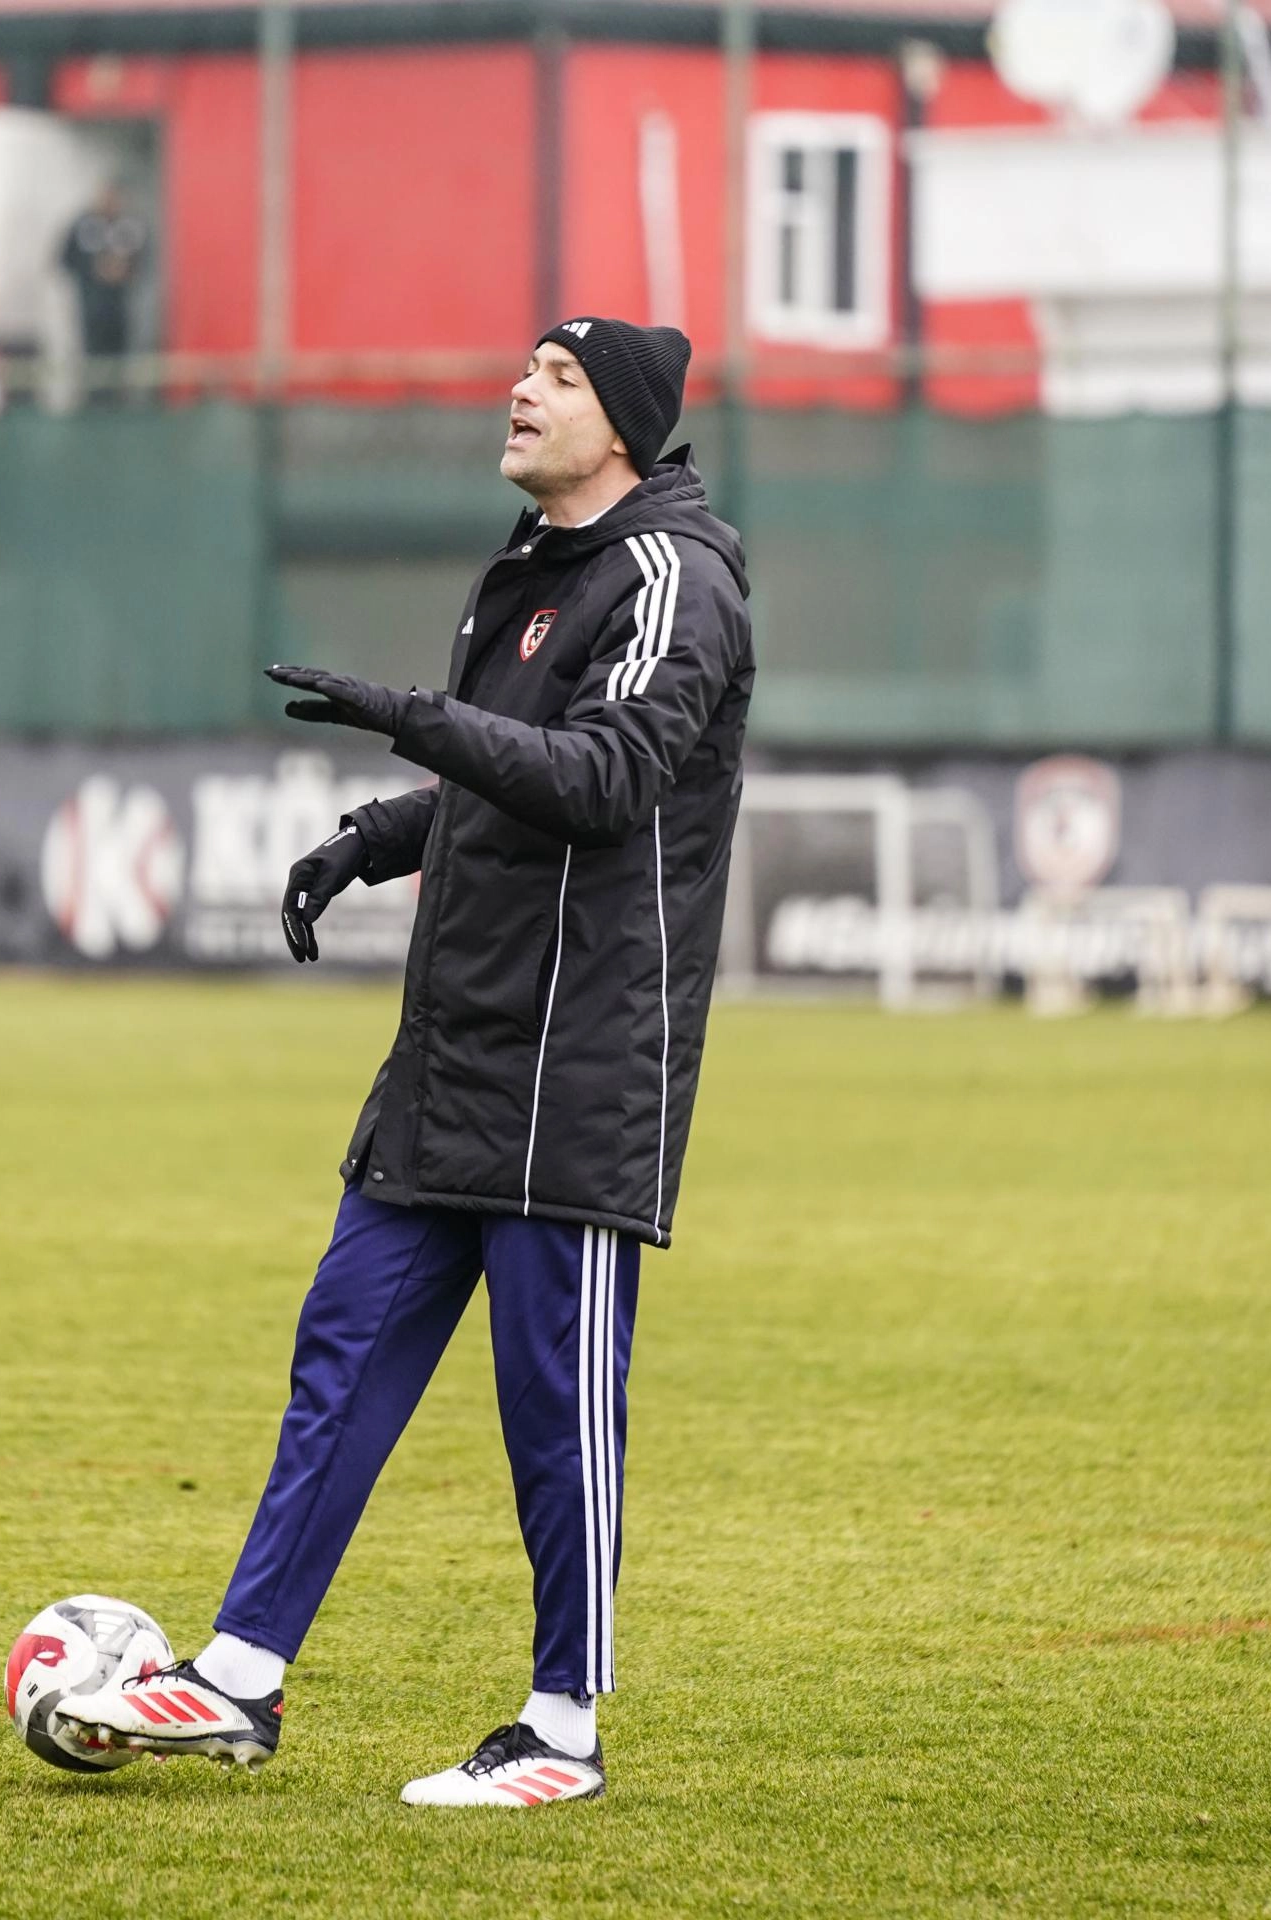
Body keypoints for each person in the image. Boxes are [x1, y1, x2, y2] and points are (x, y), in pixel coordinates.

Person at [57, 317, 755, 1806]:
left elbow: (605, 780)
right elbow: (508, 775)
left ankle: (560, 1730)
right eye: (527, 368)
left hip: (573, 1064)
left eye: (559, 378)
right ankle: (239, 1675)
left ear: (623, 425)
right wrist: (376, 837)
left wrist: (409, 722)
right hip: (453, 1054)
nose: (520, 389)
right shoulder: (535, 571)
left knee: (555, 1411)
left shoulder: (670, 578)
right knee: (342, 1353)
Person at [58, 184, 148, 390]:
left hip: (121, 308)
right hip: (91, 307)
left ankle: (119, 395)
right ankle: (94, 396)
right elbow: (65, 260)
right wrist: (94, 269)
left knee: (120, 360)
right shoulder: (83, 225)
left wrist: (124, 270)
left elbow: (144, 262)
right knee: (93, 358)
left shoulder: (130, 225)